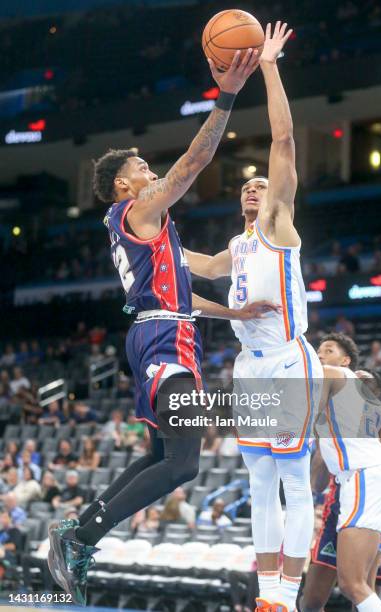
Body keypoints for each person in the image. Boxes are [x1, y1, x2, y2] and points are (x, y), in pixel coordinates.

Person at [48, 47, 270, 605]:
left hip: (163, 332)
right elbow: (192, 163)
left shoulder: (154, 235)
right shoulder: (137, 213)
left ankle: (80, 529)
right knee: (183, 463)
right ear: (125, 188)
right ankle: (80, 533)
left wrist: (236, 309)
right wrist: (228, 94)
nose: (152, 173)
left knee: (159, 457)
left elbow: (198, 282)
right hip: (162, 339)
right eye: (142, 170)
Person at [186, 22, 323, 611]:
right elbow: (194, 264)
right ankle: (269, 596)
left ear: (276, 196)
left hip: (290, 363)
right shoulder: (236, 248)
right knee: (259, 482)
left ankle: (289, 595)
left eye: (261, 184)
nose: (253, 187)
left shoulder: (277, 225)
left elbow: (284, 140)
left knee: (295, 481)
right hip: (249, 367)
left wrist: (268, 65)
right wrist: (144, 231)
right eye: (246, 185)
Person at [300, 333, 381, 611]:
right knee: (356, 585)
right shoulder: (360, 396)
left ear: (345, 360)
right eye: (318, 350)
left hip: (362, 478)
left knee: (352, 584)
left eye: (328, 350)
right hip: (365, 480)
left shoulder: (333, 374)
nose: (320, 354)